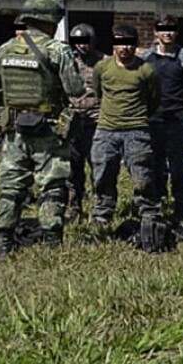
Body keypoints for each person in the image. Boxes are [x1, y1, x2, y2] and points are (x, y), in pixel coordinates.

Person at [0, 0, 85, 255]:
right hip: (48, 130)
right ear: (49, 22)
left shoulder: (5, 49)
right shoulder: (57, 50)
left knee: (11, 186)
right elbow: (75, 88)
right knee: (52, 185)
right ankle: (52, 243)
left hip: (14, 130)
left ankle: (4, 243)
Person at [90, 25, 164, 232]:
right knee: (102, 174)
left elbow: (154, 99)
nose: (124, 48)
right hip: (106, 129)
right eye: (120, 42)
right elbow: (98, 94)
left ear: (136, 45)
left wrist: (138, 116)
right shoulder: (102, 68)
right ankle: (102, 214)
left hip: (137, 129)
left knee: (142, 177)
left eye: (129, 43)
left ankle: (150, 214)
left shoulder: (146, 70)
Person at [141, 16, 183, 238]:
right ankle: (157, 204)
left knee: (178, 164)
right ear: (156, 32)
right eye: (163, 30)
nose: (167, 33)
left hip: (176, 120)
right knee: (154, 164)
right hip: (152, 120)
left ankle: (182, 206)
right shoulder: (145, 59)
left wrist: (179, 105)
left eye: (171, 30)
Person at [64, 24, 103, 221]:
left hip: (95, 122)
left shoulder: (102, 62)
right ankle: (74, 206)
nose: (83, 46)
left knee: (98, 167)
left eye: (86, 41)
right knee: (73, 169)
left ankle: (100, 209)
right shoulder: (67, 62)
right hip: (73, 123)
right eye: (79, 42)